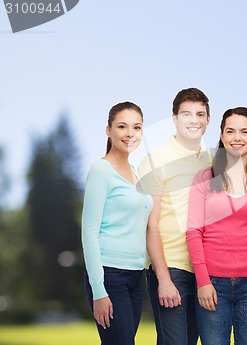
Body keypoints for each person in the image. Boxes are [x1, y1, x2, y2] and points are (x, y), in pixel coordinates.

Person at [186, 107, 247, 345]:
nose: (237, 138)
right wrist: (203, 281)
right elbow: (194, 232)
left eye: (244, 131)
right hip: (213, 285)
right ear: (221, 135)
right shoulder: (204, 179)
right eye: (230, 131)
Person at [137, 88, 211, 345]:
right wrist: (164, 279)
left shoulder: (213, 161)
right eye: (186, 114)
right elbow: (150, 225)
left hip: (204, 271)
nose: (194, 120)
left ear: (208, 120)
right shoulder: (155, 160)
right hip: (172, 269)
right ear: (174, 118)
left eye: (200, 114)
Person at [82, 101, 153, 345]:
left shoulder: (135, 171)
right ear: (108, 130)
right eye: (122, 126)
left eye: (137, 127)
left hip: (135, 275)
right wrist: (99, 291)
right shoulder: (101, 170)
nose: (130, 133)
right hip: (110, 275)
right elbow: (89, 233)